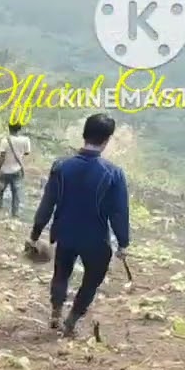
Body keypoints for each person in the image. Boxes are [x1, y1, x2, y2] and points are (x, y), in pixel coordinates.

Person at [28, 113, 130, 337]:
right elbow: (119, 212)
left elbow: (48, 202)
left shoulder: (61, 166)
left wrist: (35, 233)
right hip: (96, 239)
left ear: (84, 134)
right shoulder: (113, 173)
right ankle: (71, 321)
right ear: (107, 140)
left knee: (61, 274)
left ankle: (56, 311)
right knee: (91, 281)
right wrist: (123, 243)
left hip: (65, 233)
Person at [0, 122, 32, 217]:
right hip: (17, 170)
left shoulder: (5, 141)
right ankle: (15, 213)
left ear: (9, 128)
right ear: (19, 129)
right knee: (16, 193)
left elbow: (2, 156)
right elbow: (27, 153)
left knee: (0, 190)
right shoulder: (25, 140)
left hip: (5, 170)